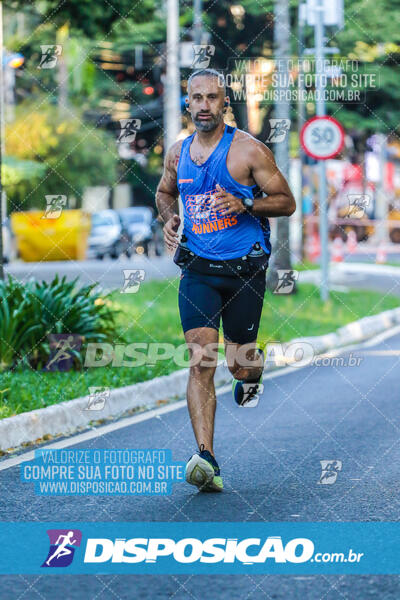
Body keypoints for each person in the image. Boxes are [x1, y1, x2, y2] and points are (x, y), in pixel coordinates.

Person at [156, 68, 295, 492]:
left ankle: (251, 376)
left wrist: (244, 201)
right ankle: (206, 458)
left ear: (224, 103)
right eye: (196, 98)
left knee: (240, 365)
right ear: (187, 102)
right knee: (201, 360)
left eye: (211, 98)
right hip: (197, 268)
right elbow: (164, 193)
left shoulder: (248, 151)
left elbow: (287, 202)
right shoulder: (178, 153)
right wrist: (170, 218)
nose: (203, 105)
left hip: (244, 270)